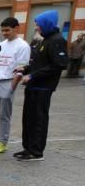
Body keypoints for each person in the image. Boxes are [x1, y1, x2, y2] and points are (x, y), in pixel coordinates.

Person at [16, 10, 68, 161]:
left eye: (38, 25)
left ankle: (36, 151)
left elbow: (58, 65)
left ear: (47, 24)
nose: (37, 28)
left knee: (38, 119)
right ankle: (28, 147)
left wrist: (32, 75)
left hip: (43, 87)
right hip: (33, 86)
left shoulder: (57, 40)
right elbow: (39, 63)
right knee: (28, 118)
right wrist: (25, 69)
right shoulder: (44, 40)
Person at [0, 18, 30, 155]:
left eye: (7, 30)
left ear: (16, 29)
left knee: (4, 115)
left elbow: (21, 68)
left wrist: (12, 87)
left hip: (8, 81)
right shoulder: (1, 44)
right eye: (2, 30)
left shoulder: (22, 46)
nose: (4, 33)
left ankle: (3, 142)